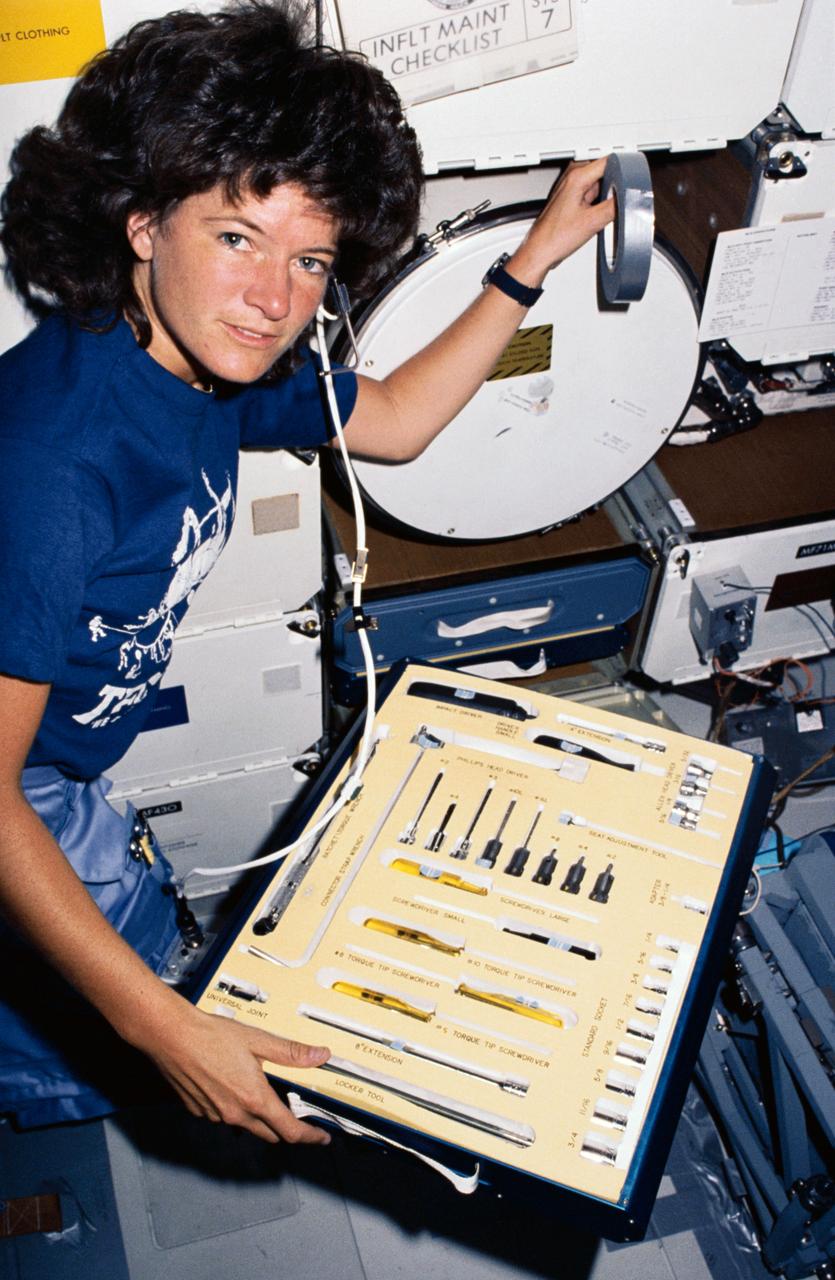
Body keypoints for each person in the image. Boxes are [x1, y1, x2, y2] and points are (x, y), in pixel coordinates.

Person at [0, 0, 613, 1143]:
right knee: (91, 1042)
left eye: (309, 259)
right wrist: (161, 1028)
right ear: (142, 221)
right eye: (238, 237)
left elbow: (396, 419)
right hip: (17, 787)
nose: (275, 300)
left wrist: (529, 260)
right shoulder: (52, 461)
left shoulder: (202, 360)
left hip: (59, 771)